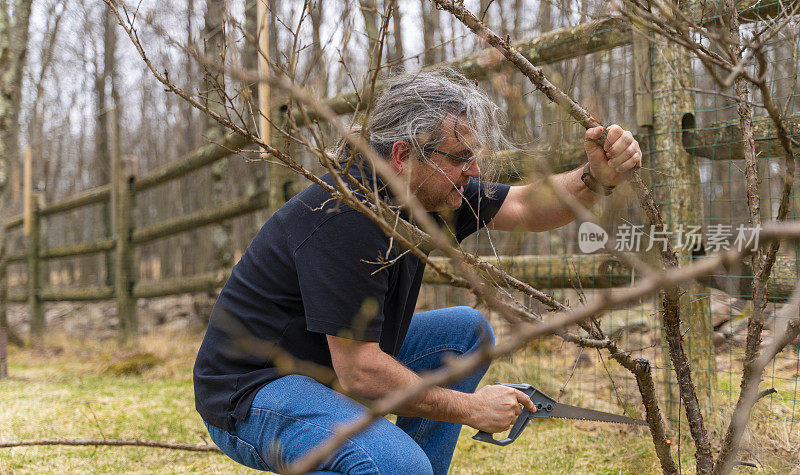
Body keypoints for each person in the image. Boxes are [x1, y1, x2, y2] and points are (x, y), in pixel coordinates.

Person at [193, 69, 641, 474]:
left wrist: (595, 177)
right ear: (404, 155)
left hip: (325, 366)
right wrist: (471, 408)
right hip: (254, 393)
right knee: (397, 465)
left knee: (465, 332)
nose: (474, 171)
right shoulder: (344, 215)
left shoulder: (423, 192)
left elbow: (525, 205)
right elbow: (360, 372)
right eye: (461, 158)